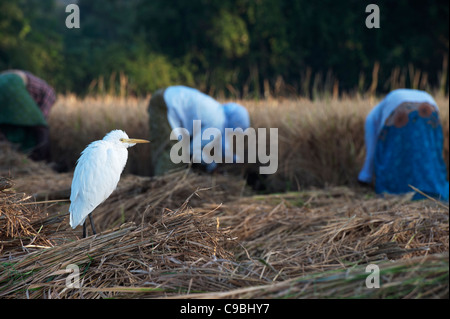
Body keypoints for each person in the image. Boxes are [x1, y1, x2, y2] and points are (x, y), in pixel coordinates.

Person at [358, 89, 449, 201]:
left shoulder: (372, 117)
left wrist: (365, 175)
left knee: (396, 153)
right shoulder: (422, 94)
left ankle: (400, 191)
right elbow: (437, 145)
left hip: (400, 108)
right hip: (430, 105)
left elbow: (371, 146)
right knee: (428, 150)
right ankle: (431, 188)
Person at [148, 85, 250, 176]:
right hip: (164, 104)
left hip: (166, 98)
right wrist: (212, 166)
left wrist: (235, 159)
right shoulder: (217, 123)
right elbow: (194, 149)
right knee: (174, 153)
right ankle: (161, 189)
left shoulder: (218, 114)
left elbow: (223, 147)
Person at [0, 69, 56, 161]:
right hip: (13, 82)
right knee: (41, 128)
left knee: (6, 126)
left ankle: (10, 157)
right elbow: (41, 121)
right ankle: (43, 161)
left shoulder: (30, 93)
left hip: (2, 80)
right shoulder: (50, 93)